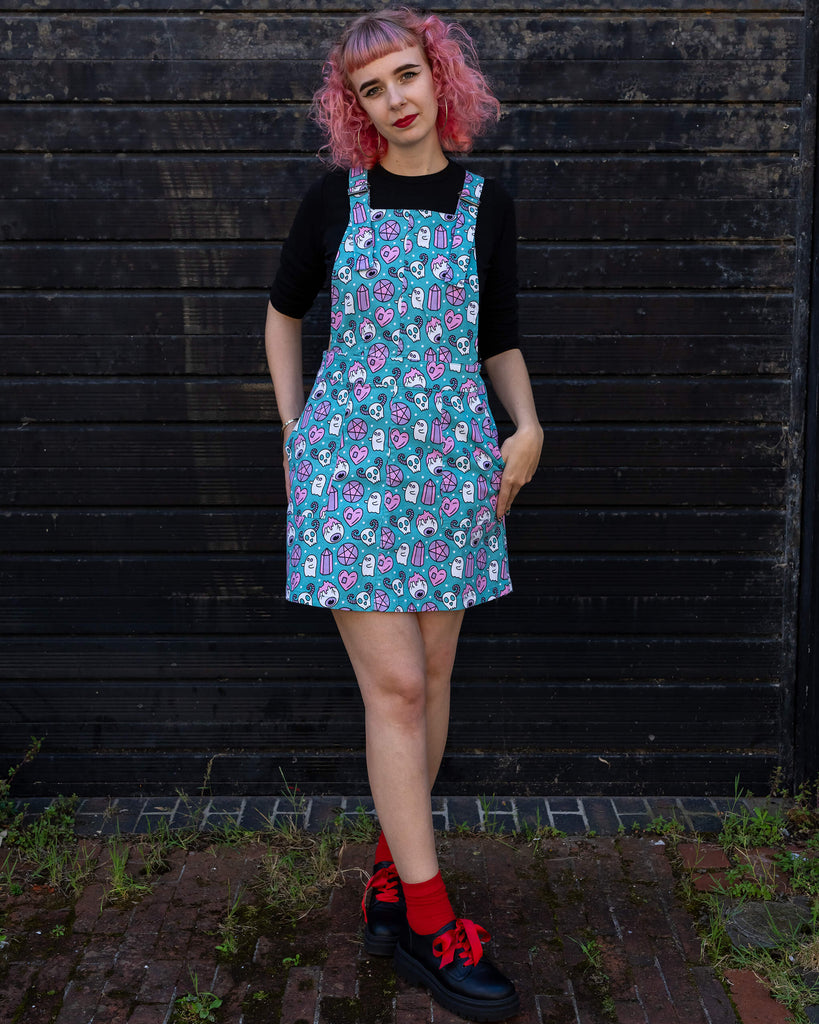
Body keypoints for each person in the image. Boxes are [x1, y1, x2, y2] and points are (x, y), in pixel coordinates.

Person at [265, 7, 542, 1020]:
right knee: (395, 691)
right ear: (357, 107)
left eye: (407, 74)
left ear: (441, 76)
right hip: (350, 471)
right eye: (373, 87)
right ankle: (429, 920)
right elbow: (283, 311)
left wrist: (529, 424)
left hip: (454, 470)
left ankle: (389, 881)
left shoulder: (487, 204)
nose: (396, 98)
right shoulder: (333, 202)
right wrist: (295, 434)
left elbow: (497, 333)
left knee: (431, 681)